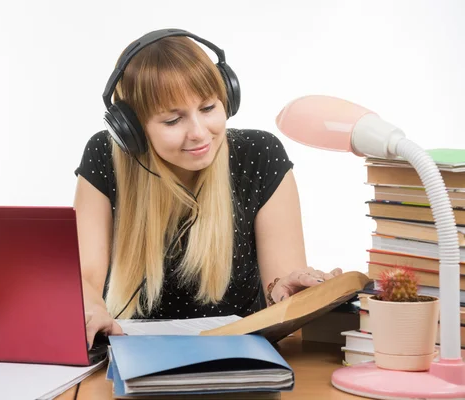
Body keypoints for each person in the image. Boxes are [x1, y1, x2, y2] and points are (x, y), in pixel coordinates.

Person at [74, 29, 342, 348]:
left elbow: (280, 282)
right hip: (130, 354)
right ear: (131, 129)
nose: (200, 133)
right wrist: (89, 307)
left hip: (241, 356)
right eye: (173, 121)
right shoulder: (105, 157)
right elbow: (84, 274)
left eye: (208, 108)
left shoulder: (259, 155)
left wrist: (289, 289)